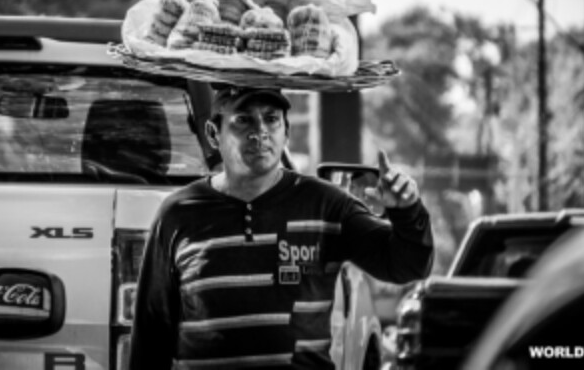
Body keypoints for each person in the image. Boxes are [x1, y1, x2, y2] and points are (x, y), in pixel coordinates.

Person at [129, 86, 434, 370]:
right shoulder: (177, 214)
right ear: (213, 133)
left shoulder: (327, 205)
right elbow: (151, 334)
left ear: (286, 130)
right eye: (243, 120)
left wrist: (407, 211)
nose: (260, 131)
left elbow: (408, 265)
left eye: (271, 119)